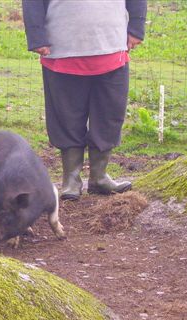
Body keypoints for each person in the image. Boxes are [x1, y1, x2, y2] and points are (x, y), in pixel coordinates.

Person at [22, 0, 147, 200]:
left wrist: (137, 27)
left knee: (109, 115)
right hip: (62, 48)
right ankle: (71, 180)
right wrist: (36, 35)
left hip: (111, 45)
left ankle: (99, 177)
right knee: (66, 116)